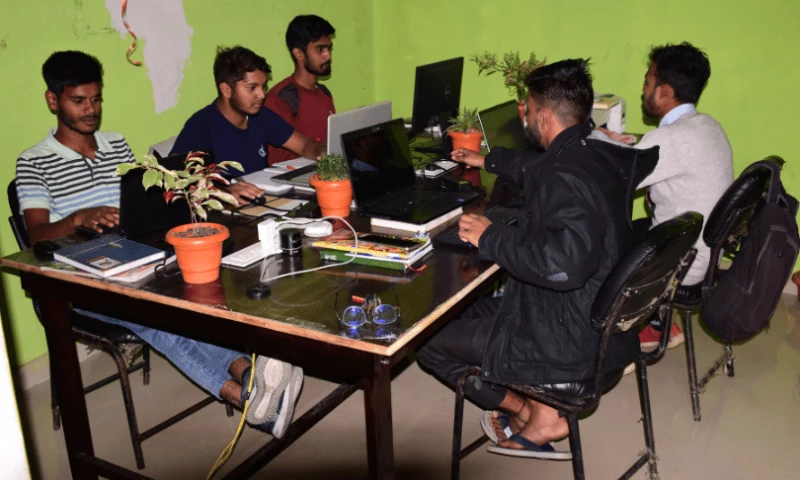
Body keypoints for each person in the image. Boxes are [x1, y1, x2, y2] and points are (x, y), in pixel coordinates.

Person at [16, 50, 302, 438]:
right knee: (160, 319)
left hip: (137, 254)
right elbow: (35, 235)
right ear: (53, 101)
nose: (90, 110)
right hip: (81, 277)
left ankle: (255, 382)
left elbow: (143, 204)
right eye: (78, 101)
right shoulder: (34, 162)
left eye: (96, 99)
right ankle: (250, 399)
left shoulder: (116, 144)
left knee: (204, 287)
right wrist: (79, 218)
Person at [417, 59, 658, 457]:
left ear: (543, 116)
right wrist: (488, 160)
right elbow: (543, 167)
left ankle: (529, 411)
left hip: (562, 336)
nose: (524, 115)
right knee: (458, 311)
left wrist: (490, 235)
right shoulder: (593, 152)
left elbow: (563, 265)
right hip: (591, 317)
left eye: (527, 108)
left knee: (426, 340)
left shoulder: (565, 176)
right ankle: (537, 411)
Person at [595, 42, 734, 350]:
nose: (643, 89)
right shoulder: (708, 125)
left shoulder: (668, 139)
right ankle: (658, 321)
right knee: (635, 227)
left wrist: (592, 139)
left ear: (665, 91)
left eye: (647, 81)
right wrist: (617, 144)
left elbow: (609, 180)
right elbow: (646, 162)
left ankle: (621, 333)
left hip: (681, 263)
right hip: (705, 253)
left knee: (595, 242)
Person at [170, 46, 324, 204]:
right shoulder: (200, 126)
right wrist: (224, 191)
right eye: (252, 88)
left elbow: (305, 145)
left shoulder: (262, 116)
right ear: (226, 89)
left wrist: (324, 152)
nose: (262, 95)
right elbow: (173, 182)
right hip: (223, 210)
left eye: (263, 86)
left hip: (262, 200)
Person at [264, 14, 336, 165]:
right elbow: (277, 161)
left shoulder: (324, 93)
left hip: (326, 172)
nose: (328, 55)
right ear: (299, 54)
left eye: (329, 48)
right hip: (294, 177)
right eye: (320, 49)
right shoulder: (281, 98)